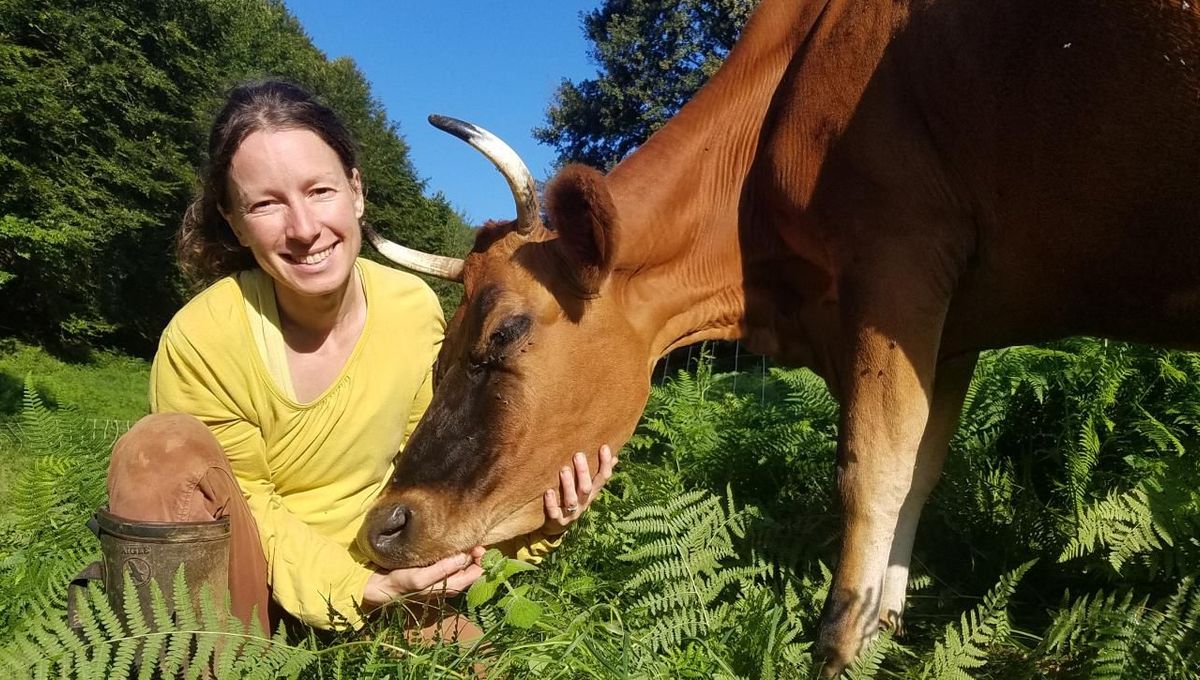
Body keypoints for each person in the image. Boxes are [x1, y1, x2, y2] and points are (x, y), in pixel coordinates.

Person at [105, 80, 616, 634]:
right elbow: (248, 502)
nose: (303, 229)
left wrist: (541, 518)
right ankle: (188, 657)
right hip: (250, 590)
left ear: (356, 191)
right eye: (266, 204)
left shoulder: (413, 307)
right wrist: (356, 591)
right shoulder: (204, 339)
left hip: (392, 567)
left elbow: (433, 460)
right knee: (157, 451)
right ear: (234, 221)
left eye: (319, 190)